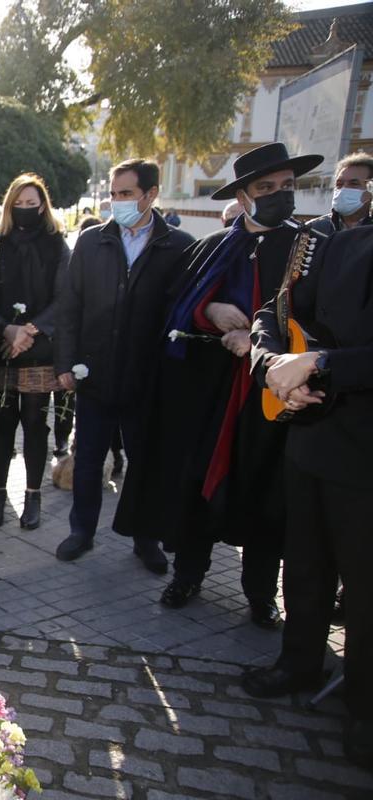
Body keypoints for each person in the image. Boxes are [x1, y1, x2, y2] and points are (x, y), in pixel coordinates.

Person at [115, 142, 326, 627]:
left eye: (287, 187)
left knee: (265, 491)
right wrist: (206, 311)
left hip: (271, 399)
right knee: (198, 486)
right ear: (245, 196)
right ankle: (188, 574)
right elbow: (175, 310)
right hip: (206, 394)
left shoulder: (311, 250)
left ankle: (259, 593)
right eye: (266, 188)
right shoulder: (212, 248)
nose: (278, 196)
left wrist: (253, 340)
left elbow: (320, 321)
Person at [244, 222, 373, 767]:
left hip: (366, 455)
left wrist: (319, 364)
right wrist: (272, 367)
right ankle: (299, 661)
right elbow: (273, 318)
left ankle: (365, 707)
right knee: (303, 565)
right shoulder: (345, 244)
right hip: (311, 436)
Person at [53, 159, 195, 570]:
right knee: (89, 458)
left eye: (126, 194)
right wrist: (66, 361)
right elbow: (70, 306)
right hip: (95, 375)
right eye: (114, 194)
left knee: (144, 461)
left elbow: (181, 315)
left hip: (146, 380)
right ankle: (82, 531)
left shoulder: (179, 246)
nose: (117, 202)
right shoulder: (92, 241)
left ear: (151, 195)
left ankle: (144, 537)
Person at [0, 173, 69, 531]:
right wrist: (8, 328)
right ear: (9, 205)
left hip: (40, 347)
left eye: (33, 203)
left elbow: (65, 297)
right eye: (20, 203)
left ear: (43, 205)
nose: (27, 209)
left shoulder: (58, 244)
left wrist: (30, 329)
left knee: (34, 425)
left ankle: (33, 494)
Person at [307, 151, 373, 235]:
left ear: (371, 189)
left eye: (354, 184)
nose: (343, 189)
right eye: (339, 184)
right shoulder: (314, 229)